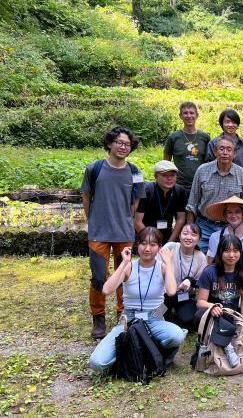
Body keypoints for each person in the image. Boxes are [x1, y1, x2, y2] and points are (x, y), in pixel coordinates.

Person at [88, 227, 186, 373]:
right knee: (97, 363)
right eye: (143, 243)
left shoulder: (162, 267)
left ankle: (153, 350)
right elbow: (106, 290)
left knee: (177, 336)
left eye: (153, 244)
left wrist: (169, 264)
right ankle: (137, 350)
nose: (147, 249)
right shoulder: (130, 266)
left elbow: (171, 291)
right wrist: (123, 263)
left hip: (156, 314)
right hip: (130, 317)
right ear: (137, 245)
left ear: (159, 247)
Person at [81, 126, 145, 339]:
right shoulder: (94, 168)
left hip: (124, 233)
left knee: (124, 277)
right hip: (99, 231)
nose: (123, 147)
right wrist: (92, 220)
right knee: (99, 276)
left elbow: (135, 202)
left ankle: (122, 314)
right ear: (109, 143)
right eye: (119, 142)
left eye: (127, 144)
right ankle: (98, 318)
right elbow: (87, 196)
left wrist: (127, 221)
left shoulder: (135, 172)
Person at [186, 135, 243, 253]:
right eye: (221, 149)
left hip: (231, 227)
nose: (225, 152)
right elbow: (192, 205)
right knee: (200, 261)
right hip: (204, 226)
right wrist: (190, 230)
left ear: (234, 153)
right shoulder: (202, 170)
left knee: (228, 262)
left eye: (229, 149)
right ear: (215, 151)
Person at [195, 234, 243, 344]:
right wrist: (212, 306)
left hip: (232, 313)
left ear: (240, 252)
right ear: (220, 252)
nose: (231, 255)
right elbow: (200, 302)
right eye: (227, 251)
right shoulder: (209, 272)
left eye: (236, 250)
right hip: (213, 314)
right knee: (217, 333)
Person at [205, 196, 243, 279]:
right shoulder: (216, 236)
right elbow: (210, 264)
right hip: (223, 286)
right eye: (229, 212)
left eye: (237, 212)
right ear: (225, 215)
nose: (233, 215)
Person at [160, 223, 207, 330]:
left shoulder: (201, 257)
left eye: (194, 235)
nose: (188, 237)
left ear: (199, 239)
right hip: (164, 296)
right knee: (158, 318)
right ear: (179, 236)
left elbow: (200, 282)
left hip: (184, 297)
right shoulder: (170, 247)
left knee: (190, 322)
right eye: (185, 233)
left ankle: (177, 314)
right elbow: (156, 271)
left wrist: (190, 280)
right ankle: (168, 313)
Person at [135, 160, 187, 244]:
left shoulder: (179, 191)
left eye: (172, 175)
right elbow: (137, 221)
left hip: (168, 236)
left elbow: (181, 219)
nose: (169, 178)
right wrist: (152, 242)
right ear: (155, 176)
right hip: (145, 236)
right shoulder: (147, 190)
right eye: (164, 175)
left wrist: (170, 243)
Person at [163, 101, 211, 191]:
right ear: (180, 116)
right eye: (185, 113)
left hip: (201, 184)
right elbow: (166, 164)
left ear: (197, 115)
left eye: (191, 113)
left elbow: (210, 162)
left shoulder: (205, 137)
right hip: (179, 186)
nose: (189, 116)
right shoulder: (173, 138)